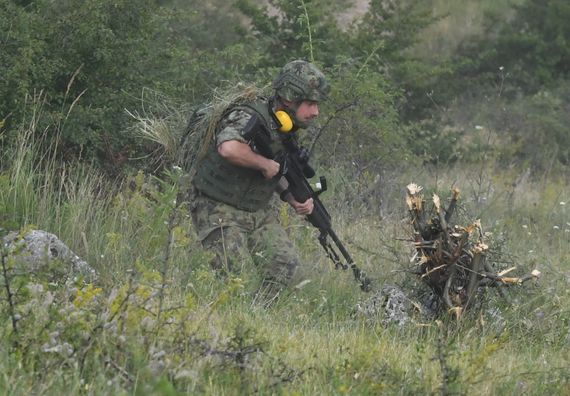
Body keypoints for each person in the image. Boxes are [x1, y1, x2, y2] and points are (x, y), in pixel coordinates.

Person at [189, 59, 329, 305]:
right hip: (218, 208)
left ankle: (259, 318)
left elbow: (277, 171)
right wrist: (264, 164)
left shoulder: (287, 129)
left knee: (288, 272)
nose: (316, 112)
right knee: (236, 281)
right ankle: (236, 322)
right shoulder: (249, 115)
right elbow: (229, 148)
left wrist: (291, 197)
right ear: (289, 99)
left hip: (256, 212)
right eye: (310, 103)